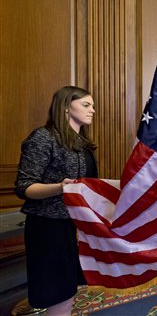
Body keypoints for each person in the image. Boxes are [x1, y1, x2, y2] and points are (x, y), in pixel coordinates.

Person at [15, 86, 97, 316]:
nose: (93, 110)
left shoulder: (82, 144)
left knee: (68, 288)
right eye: (86, 105)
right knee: (58, 290)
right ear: (65, 109)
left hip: (74, 224)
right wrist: (61, 187)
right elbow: (25, 187)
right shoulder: (43, 138)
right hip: (48, 225)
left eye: (92, 105)